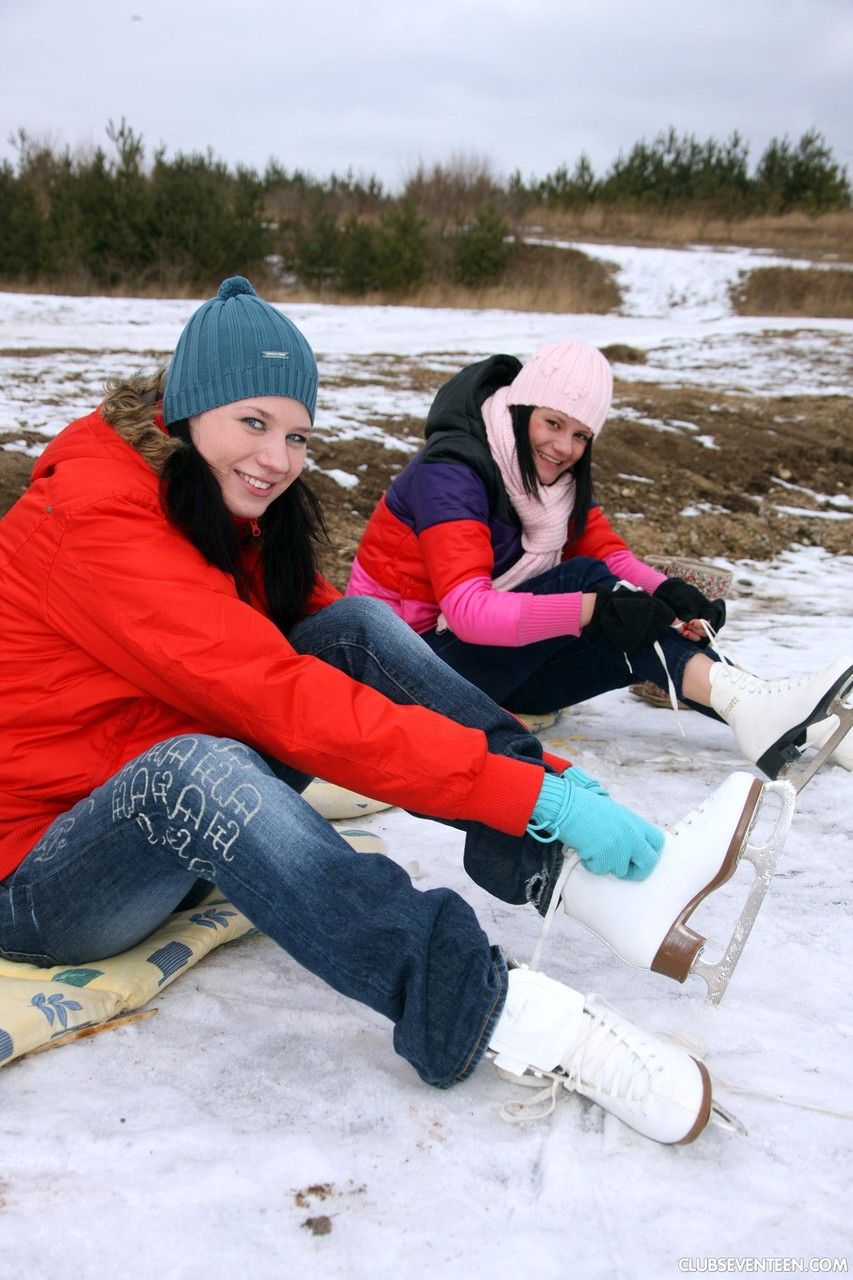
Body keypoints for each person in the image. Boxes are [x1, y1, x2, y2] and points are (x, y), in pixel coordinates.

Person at [0, 279, 768, 1145]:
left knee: (354, 627)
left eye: (296, 435)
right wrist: (522, 791)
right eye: (252, 424)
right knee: (197, 769)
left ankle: (568, 864)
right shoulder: (97, 521)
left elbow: (342, 667)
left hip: (151, 816)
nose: (278, 460)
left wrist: (540, 785)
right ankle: (501, 1016)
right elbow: (287, 703)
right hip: (43, 875)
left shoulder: (209, 499)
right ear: (184, 411)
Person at [347, 342, 852, 778]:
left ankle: (792, 719)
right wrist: (594, 608)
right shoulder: (452, 472)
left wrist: (669, 594)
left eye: (581, 435)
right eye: (553, 423)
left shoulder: (552, 481)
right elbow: (467, 611)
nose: (564, 447)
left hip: (485, 672)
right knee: (594, 590)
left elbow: (607, 550)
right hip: (402, 672)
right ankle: (761, 707)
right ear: (523, 408)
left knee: (627, 631)